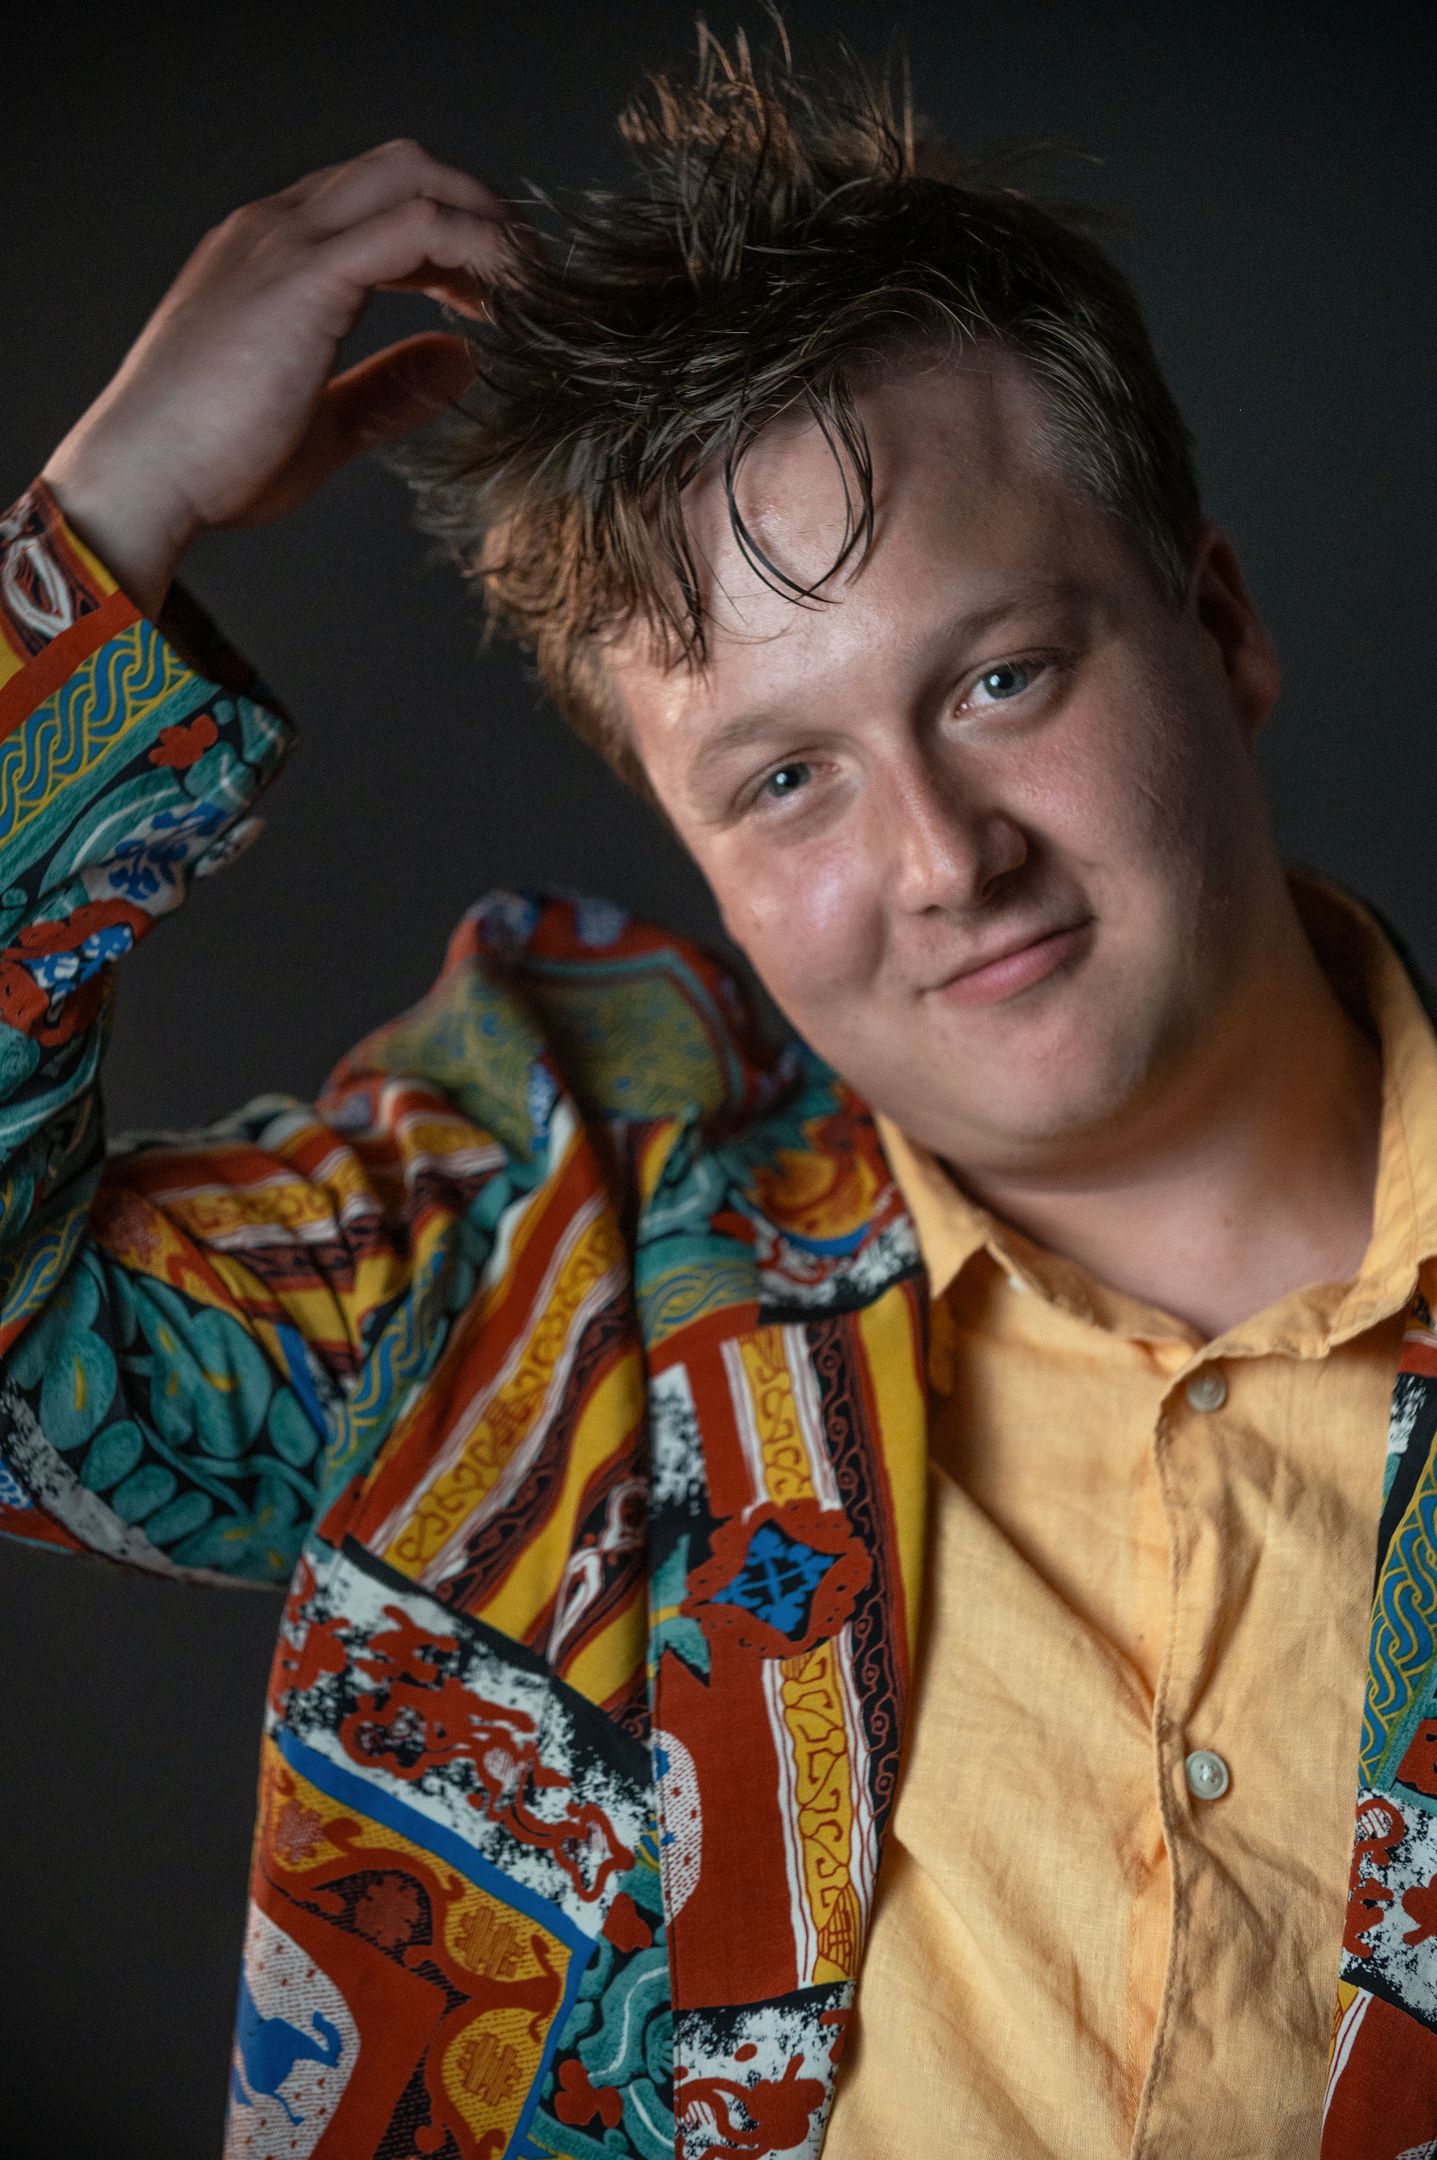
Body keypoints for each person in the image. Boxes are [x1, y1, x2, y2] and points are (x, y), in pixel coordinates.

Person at [2, 24, 1432, 2160]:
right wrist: (98, 528)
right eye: (784, 780)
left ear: (1214, 630)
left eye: (1000, 677)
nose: (943, 859)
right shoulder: (528, 1257)